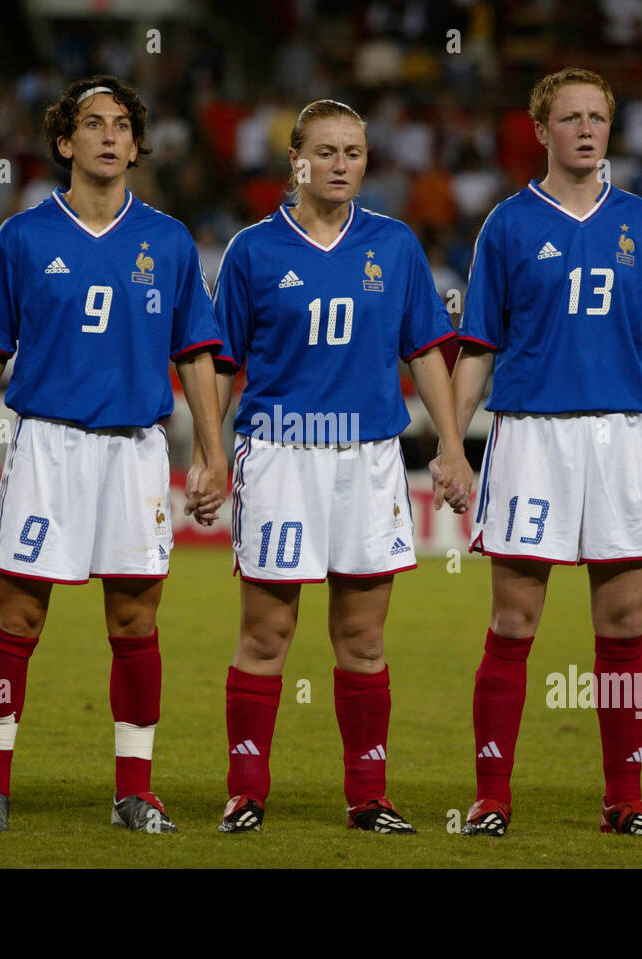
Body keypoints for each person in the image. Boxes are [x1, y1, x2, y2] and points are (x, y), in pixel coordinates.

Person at [0, 76, 227, 834]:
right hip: (46, 448)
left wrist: (211, 450)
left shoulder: (167, 239)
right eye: (92, 124)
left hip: (135, 451)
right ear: (64, 142)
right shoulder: (25, 237)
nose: (109, 136)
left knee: (135, 621)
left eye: (123, 126)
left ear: (137, 145)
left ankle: (135, 790)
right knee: (19, 614)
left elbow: (196, 353)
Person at [443, 67, 642, 838]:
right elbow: (478, 347)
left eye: (598, 118)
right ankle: (492, 794)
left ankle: (625, 797)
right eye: (570, 118)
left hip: (622, 434)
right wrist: (453, 445)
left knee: (622, 624)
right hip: (531, 434)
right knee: (515, 621)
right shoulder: (510, 224)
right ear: (541, 129)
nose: (586, 130)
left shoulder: (640, 223)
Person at [208, 99, 472, 835]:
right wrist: (206, 452)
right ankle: (246, 790)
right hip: (281, 455)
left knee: (362, 639)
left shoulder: (394, 246)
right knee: (266, 635)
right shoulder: (253, 251)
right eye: (325, 152)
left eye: (353, 152)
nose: (340, 165)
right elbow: (220, 362)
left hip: (370, 457)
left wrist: (450, 447)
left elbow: (425, 351)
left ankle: (368, 795)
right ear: (295, 160)